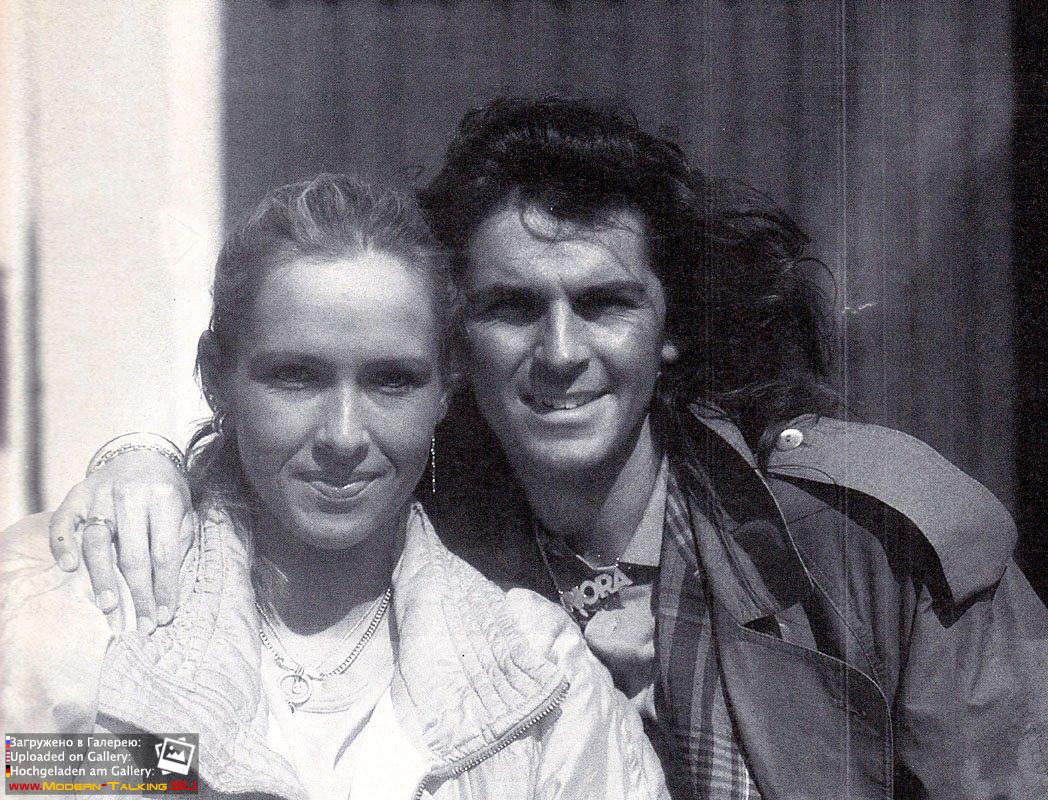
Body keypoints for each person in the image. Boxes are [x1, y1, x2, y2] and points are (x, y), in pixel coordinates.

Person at [46, 99, 1048, 799]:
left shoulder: (865, 540)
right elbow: (290, 458)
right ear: (456, 350)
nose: (561, 353)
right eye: (512, 307)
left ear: (669, 327)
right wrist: (139, 462)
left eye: (604, 303)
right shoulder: (428, 527)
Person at [0, 174, 670, 800]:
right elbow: (24, 768)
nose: (344, 436)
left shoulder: (544, 678)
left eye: (392, 381)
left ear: (446, 390)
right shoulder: (70, 615)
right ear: (216, 377)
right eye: (297, 377)